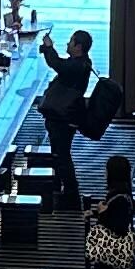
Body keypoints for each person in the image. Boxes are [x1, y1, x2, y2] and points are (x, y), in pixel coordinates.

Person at [38, 29, 96, 207]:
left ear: (78, 47)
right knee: (59, 152)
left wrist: (49, 48)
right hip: (64, 115)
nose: (68, 44)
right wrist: (48, 50)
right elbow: (60, 64)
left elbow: (58, 64)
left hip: (63, 117)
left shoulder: (77, 66)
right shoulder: (82, 63)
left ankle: (71, 194)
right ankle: (59, 184)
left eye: (71, 42)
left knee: (62, 154)